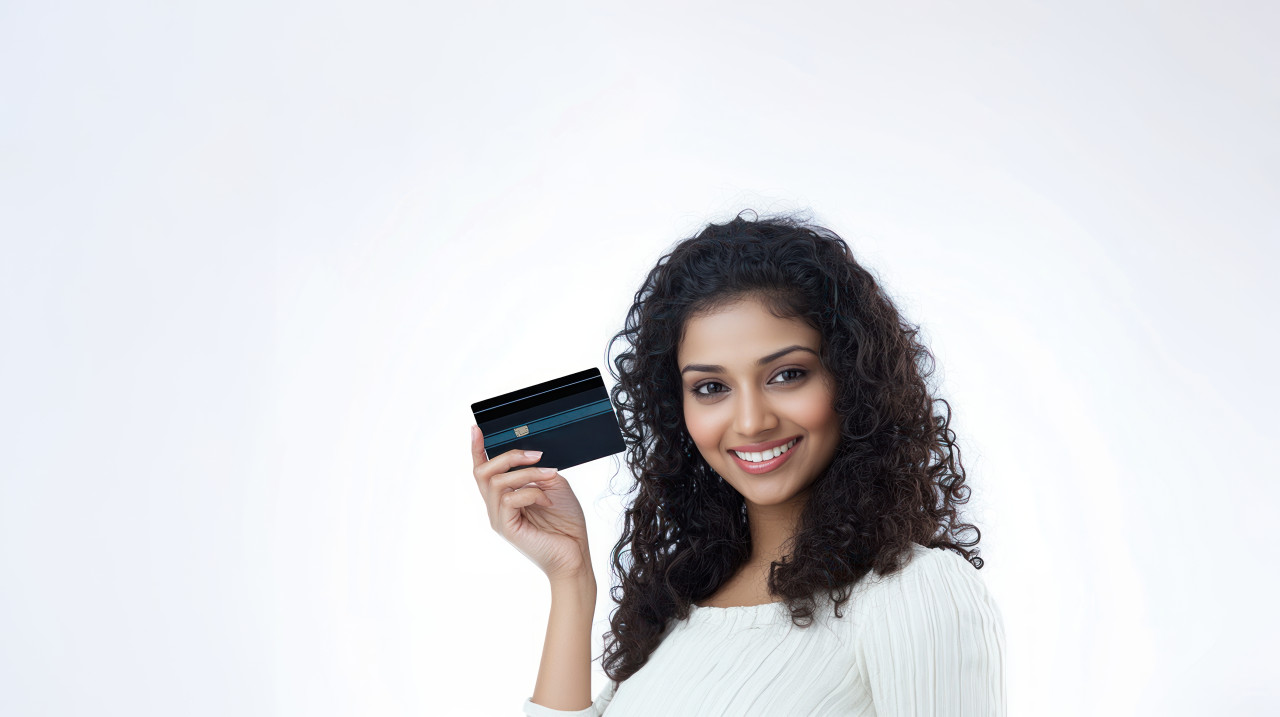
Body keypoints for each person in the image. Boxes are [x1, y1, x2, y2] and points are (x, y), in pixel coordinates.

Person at [470, 210, 1006, 716]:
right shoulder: (678, 606)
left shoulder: (913, 592)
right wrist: (571, 579)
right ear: (676, 409)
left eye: (787, 375)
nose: (750, 422)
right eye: (711, 387)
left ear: (853, 378)